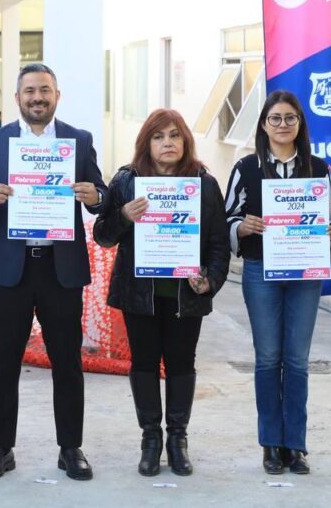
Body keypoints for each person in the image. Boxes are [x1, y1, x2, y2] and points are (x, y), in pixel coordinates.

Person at [0, 63, 107, 481]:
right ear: (17, 98)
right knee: (4, 364)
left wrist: (93, 194)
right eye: (29, 91)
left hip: (59, 270)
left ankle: (70, 448)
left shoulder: (78, 141)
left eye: (45, 90)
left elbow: (102, 195)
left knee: (67, 361)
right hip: (12, 271)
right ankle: (1, 448)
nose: (37, 98)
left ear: (56, 96)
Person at [93, 109, 229, 477]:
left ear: (185, 141)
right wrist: (123, 215)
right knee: (144, 363)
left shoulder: (204, 182)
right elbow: (103, 235)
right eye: (158, 137)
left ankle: (178, 440)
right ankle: (150, 439)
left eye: (174, 136)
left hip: (187, 293)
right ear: (146, 143)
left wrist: (210, 279)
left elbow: (219, 244)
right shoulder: (126, 180)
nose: (167, 143)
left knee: (183, 363)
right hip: (140, 294)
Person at [223, 91, 331, 475]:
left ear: (300, 124)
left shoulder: (318, 168)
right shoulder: (246, 167)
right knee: (268, 358)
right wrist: (242, 227)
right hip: (261, 272)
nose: (282, 125)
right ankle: (270, 444)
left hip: (305, 274)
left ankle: (296, 445)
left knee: (296, 361)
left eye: (290, 118)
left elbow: (327, 219)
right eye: (275, 118)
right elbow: (226, 219)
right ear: (263, 124)